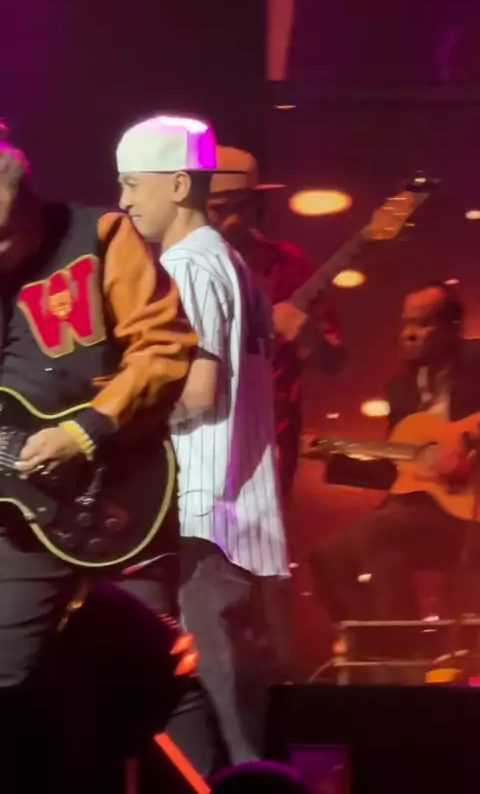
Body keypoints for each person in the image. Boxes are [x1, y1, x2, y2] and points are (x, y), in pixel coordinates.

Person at [0, 123, 197, 789]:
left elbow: (164, 348)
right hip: (14, 518)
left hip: (116, 493)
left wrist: (85, 431)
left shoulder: (101, 236)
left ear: (31, 205)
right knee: (12, 680)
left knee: (149, 671)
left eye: (5, 237)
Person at [116, 115, 290, 775]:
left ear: (178, 184)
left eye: (133, 184)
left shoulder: (185, 267)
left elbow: (196, 390)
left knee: (209, 700)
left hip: (200, 508)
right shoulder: (233, 262)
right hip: (235, 507)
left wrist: (110, 421)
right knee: (227, 697)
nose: (124, 202)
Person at [310, 282, 480, 628]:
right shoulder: (400, 391)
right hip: (417, 516)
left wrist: (467, 439)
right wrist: (335, 461)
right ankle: (377, 649)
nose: (410, 334)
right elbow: (398, 473)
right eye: (406, 323)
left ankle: (403, 648)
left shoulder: (476, 361)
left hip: (470, 513)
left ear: (452, 328)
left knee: (378, 533)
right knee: (327, 557)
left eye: (423, 323)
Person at [209, 146, 345, 497]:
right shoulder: (174, 270)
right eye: (218, 209)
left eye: (242, 207)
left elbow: (334, 359)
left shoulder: (288, 264)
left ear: (258, 207)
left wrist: (306, 335)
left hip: (270, 442)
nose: (232, 220)